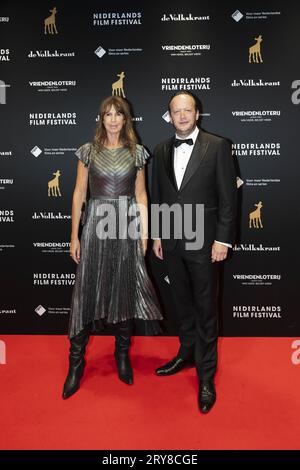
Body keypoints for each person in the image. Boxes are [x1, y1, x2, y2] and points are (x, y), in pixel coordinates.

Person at [63, 96, 162, 399]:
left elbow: (142, 196)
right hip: (95, 227)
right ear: (101, 119)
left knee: (124, 289)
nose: (113, 119)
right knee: (84, 291)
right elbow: (80, 193)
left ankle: (122, 356)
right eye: (108, 114)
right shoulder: (88, 152)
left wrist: (145, 234)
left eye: (119, 114)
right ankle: (76, 364)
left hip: (127, 227)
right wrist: (74, 236)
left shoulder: (137, 153)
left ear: (126, 119)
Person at [151, 91, 237, 413]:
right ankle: (186, 353)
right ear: (170, 116)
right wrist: (158, 234)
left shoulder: (218, 147)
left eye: (188, 110)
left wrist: (222, 240)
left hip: (205, 243)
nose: (183, 116)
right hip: (172, 241)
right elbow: (159, 196)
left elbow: (229, 199)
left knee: (206, 309)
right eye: (177, 111)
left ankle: (206, 375)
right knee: (182, 304)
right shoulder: (160, 150)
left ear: (197, 113)